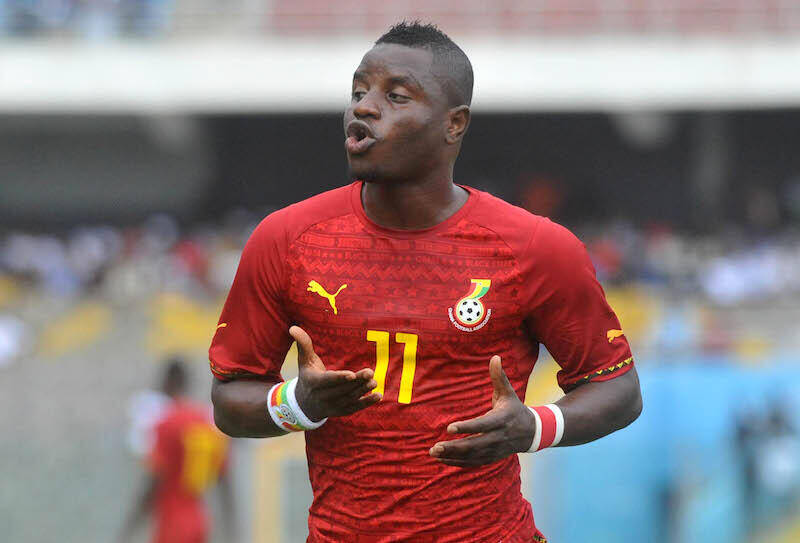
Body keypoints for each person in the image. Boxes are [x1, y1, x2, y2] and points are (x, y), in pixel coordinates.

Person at [209, 21, 642, 543]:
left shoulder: (535, 248)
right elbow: (229, 401)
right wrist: (300, 404)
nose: (363, 108)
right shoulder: (286, 239)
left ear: (453, 124)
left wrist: (535, 427)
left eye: (395, 96)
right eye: (358, 92)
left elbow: (617, 386)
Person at [121, 358, 234, 543]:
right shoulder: (205, 422)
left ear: (167, 383)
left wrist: (129, 526)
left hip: (172, 522)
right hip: (199, 519)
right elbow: (225, 480)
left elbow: (154, 480)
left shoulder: (167, 423)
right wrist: (232, 529)